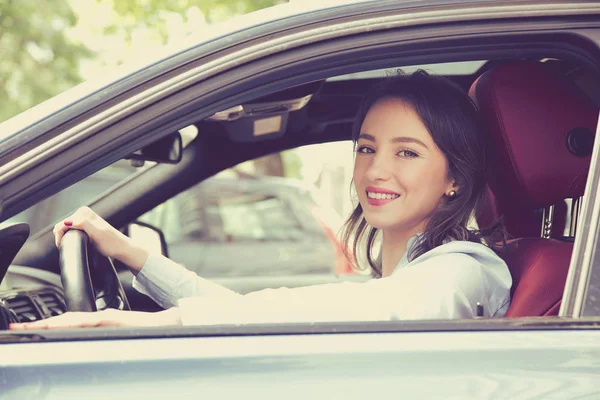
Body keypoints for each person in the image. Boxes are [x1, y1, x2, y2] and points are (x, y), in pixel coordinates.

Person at [9, 70, 511, 330]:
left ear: (454, 177)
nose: (376, 169)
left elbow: (366, 311)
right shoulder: (406, 273)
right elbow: (248, 312)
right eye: (366, 147)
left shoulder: (462, 273)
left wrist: (153, 322)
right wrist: (129, 252)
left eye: (407, 152)